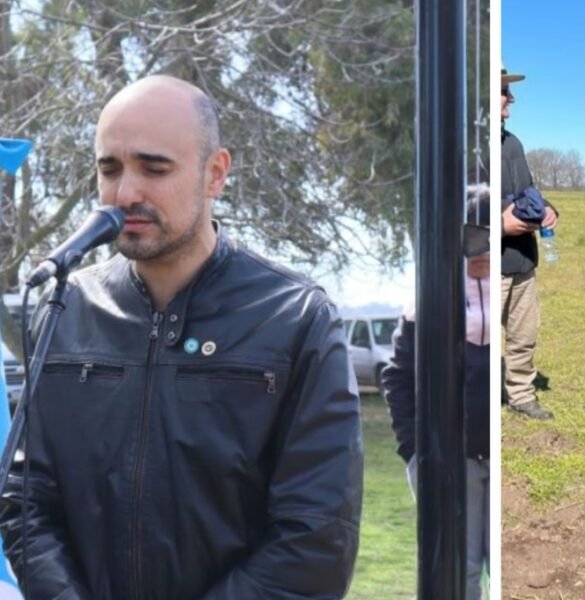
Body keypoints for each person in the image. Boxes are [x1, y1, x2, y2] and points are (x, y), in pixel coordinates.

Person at [0, 75, 363, 598]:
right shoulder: (66, 308)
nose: (125, 193)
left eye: (154, 167)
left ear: (215, 174)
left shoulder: (296, 317)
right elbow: (25, 499)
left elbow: (317, 538)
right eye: (110, 169)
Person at [382, 183, 491, 599]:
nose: (480, 250)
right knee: (458, 570)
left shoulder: (509, 291)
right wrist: (414, 452)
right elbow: (398, 379)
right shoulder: (425, 301)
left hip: (497, 454)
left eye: (489, 236)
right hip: (451, 459)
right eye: (470, 238)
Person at [501, 63, 558, 420]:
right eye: (503, 90)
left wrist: (549, 209)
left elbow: (528, 190)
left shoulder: (513, 143)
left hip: (523, 259)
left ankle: (521, 395)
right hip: (485, 263)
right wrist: (497, 224)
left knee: (523, 335)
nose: (511, 98)